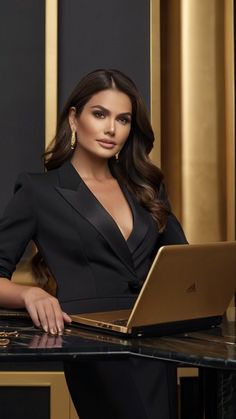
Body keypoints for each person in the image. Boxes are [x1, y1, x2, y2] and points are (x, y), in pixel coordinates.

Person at [0, 69, 187, 419]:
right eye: (99, 114)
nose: (111, 129)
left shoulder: (146, 188)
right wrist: (30, 294)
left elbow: (184, 263)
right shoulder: (39, 191)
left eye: (123, 119)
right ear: (74, 117)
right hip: (92, 344)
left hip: (157, 345)